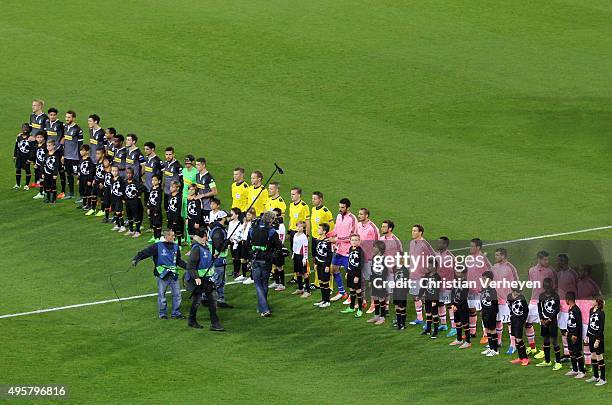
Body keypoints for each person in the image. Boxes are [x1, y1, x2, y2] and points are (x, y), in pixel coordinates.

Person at [132, 229, 186, 319]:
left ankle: (176, 313)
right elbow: (145, 253)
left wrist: (188, 267)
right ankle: (162, 313)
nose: (174, 237)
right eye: (172, 236)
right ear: (166, 236)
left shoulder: (176, 247)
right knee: (162, 295)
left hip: (173, 274)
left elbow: (178, 261)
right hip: (162, 275)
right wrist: (136, 259)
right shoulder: (157, 246)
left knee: (177, 294)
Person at [183, 230, 225, 331]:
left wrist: (213, 258)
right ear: (203, 237)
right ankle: (194, 321)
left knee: (210, 300)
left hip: (207, 279)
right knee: (199, 301)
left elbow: (205, 260)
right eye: (206, 236)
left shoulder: (204, 247)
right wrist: (196, 277)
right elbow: (190, 265)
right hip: (199, 280)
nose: (207, 238)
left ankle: (213, 323)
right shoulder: (197, 248)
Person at [247, 211, 282, 317]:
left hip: (255, 259)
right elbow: (279, 246)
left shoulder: (252, 229)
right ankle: (264, 308)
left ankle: (261, 307)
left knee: (258, 284)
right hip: (266, 260)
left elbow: (247, 243)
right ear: (270, 220)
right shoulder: (271, 232)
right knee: (264, 283)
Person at [327, 198, 356, 302]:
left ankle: (355, 297)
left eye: (342, 207)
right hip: (339, 249)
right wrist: (327, 235)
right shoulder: (339, 216)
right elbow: (336, 229)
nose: (340, 209)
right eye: (339, 207)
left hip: (348, 251)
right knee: (334, 269)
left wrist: (336, 239)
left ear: (348, 207)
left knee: (351, 275)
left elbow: (352, 237)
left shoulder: (352, 219)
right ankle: (342, 292)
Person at [528, 251, 557, 358]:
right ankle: (532, 347)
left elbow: (555, 286)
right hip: (533, 301)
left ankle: (544, 350)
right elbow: (531, 284)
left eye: (548, 259)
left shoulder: (551, 271)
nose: (547, 262)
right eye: (545, 259)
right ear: (539, 260)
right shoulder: (531, 270)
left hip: (545, 303)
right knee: (527, 323)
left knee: (545, 327)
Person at [491, 248, 520, 354]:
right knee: (497, 320)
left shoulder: (510, 267)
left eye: (498, 255)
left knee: (509, 322)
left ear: (503, 256)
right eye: (496, 255)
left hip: (507, 300)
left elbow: (516, 282)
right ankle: (498, 341)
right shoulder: (494, 267)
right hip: (497, 299)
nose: (496, 257)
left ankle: (513, 345)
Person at [465, 238, 491, 343]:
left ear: (478, 247)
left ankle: (486, 334)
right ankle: (472, 332)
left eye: (472, 246)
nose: (470, 248)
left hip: (480, 290)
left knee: (483, 312)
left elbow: (490, 271)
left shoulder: (482, 258)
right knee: (471, 310)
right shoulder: (469, 258)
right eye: (470, 245)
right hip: (470, 289)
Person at [408, 224, 435, 325]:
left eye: (415, 231)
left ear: (420, 233)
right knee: (415, 296)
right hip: (413, 274)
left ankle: (430, 318)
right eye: (412, 230)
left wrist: (428, 270)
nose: (413, 232)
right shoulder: (411, 243)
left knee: (424, 297)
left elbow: (434, 256)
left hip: (423, 276)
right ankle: (419, 318)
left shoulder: (424, 244)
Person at [576, 264, 601, 370]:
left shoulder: (591, 284)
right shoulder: (577, 282)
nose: (579, 272)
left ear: (586, 272)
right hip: (580, 318)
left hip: (589, 320)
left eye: (581, 270)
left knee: (591, 341)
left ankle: (597, 363)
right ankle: (588, 362)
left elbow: (599, 297)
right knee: (584, 341)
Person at [536, 278, 562, 370]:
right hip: (544, 321)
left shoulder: (555, 296)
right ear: (544, 287)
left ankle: (558, 362)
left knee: (554, 342)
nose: (548, 289)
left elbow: (557, 309)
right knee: (546, 341)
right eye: (547, 287)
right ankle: (547, 361)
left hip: (552, 322)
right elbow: (539, 308)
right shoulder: (541, 296)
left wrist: (550, 319)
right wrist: (541, 319)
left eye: (549, 287)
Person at [356, 208, 379, 313]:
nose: (359, 216)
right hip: (359, 257)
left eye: (361, 214)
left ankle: (374, 304)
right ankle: (362, 300)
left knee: (371, 282)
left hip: (369, 259)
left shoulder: (372, 228)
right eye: (359, 214)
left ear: (367, 215)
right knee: (360, 280)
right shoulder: (359, 225)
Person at [310, 191, 335, 289]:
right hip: (314, 239)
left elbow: (332, 228)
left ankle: (330, 285)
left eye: (314, 199)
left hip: (323, 241)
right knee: (315, 260)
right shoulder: (313, 209)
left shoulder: (326, 212)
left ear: (320, 199)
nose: (313, 200)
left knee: (327, 262)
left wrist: (329, 239)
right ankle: (317, 282)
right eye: (312, 198)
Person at [556, 254, 578, 361]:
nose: (558, 263)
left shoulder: (573, 274)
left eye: (559, 261)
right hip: (561, 307)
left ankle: (574, 353)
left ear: (564, 261)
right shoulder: (558, 273)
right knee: (563, 330)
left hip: (569, 308)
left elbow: (577, 289)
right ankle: (567, 353)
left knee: (571, 331)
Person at [379, 220, 403, 316]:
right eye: (382, 226)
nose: (382, 228)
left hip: (392, 269)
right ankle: (384, 307)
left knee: (389, 290)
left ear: (390, 229)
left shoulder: (395, 240)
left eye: (384, 227)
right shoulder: (381, 239)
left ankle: (388, 307)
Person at [341, 234, 365, 317]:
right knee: (351, 289)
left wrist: (357, 276)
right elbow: (349, 262)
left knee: (358, 290)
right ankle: (351, 307)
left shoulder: (360, 251)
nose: (354, 242)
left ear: (359, 241)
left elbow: (360, 265)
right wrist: (347, 272)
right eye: (352, 240)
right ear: (350, 241)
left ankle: (360, 309)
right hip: (350, 273)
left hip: (356, 274)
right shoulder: (350, 248)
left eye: (356, 240)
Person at [43, 108, 66, 198]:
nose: (52, 116)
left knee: (60, 170)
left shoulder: (60, 124)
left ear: (56, 115)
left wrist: (62, 140)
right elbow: (45, 134)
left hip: (58, 150)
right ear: (48, 115)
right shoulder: (46, 122)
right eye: (51, 115)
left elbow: (65, 134)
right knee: (48, 168)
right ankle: (49, 188)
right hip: (49, 149)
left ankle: (63, 191)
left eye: (54, 115)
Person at [436, 236, 455, 336]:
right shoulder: (437, 254)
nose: (438, 244)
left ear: (445, 245)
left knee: (449, 305)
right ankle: (443, 324)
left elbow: (451, 273)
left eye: (440, 243)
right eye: (438, 242)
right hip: (439, 284)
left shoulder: (449, 257)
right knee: (440, 303)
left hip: (447, 285)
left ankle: (454, 327)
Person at [63, 110, 84, 200]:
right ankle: (71, 193)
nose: (67, 119)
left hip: (75, 157)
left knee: (79, 176)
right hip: (67, 156)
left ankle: (82, 195)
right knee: (69, 175)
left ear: (73, 118)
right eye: (66, 117)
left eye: (69, 117)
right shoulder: (64, 127)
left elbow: (80, 144)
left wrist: (80, 157)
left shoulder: (78, 129)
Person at [586, 296, 606, 386]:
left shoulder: (601, 313)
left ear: (597, 302)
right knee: (593, 356)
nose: (591, 301)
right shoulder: (591, 310)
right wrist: (587, 335)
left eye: (593, 300)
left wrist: (598, 340)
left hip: (598, 338)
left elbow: (601, 328)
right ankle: (595, 376)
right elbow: (590, 323)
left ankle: (603, 379)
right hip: (591, 336)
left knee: (599, 356)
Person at [565, 292, 586, 378]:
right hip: (570, 333)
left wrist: (575, 334)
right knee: (571, 352)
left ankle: (582, 371)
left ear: (569, 300)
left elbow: (578, 324)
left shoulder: (576, 310)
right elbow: (570, 321)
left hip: (575, 335)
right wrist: (567, 330)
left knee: (577, 352)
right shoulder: (570, 309)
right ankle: (574, 369)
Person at [449, 268, 471, 348]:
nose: (456, 272)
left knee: (465, 323)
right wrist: (452, 304)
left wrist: (456, 306)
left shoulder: (465, 283)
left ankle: (468, 342)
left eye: (458, 271)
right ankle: (459, 339)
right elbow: (452, 293)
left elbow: (463, 297)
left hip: (462, 306)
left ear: (463, 272)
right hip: (455, 306)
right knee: (457, 322)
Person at [367, 240, 388, 325]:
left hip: (380, 282)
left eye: (375, 247)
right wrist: (371, 280)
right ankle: (376, 316)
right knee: (375, 297)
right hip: (374, 281)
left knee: (381, 298)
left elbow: (384, 272)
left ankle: (382, 317)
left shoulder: (384, 259)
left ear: (380, 248)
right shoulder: (374, 258)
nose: (373, 248)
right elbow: (372, 270)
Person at [419, 258, 441, 338]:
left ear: (434, 267)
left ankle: (435, 332)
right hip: (427, 298)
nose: (428, 266)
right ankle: (428, 330)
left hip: (434, 299)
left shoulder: (437, 277)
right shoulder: (426, 275)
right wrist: (419, 295)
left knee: (435, 314)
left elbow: (437, 290)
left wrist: (435, 300)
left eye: (430, 265)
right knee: (428, 313)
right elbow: (423, 286)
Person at [313, 223, 333, 308]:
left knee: (325, 282)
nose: (318, 230)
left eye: (319, 228)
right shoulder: (317, 240)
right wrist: (315, 264)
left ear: (324, 231)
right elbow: (317, 254)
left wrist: (328, 265)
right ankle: (323, 300)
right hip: (319, 264)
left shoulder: (327, 241)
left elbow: (330, 254)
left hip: (325, 264)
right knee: (321, 281)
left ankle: (327, 301)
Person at [508, 287, 530, 366]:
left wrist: (523, 320)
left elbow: (526, 310)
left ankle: (526, 358)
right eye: (518, 292)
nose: (519, 293)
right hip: (513, 319)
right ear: (513, 291)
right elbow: (510, 307)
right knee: (515, 338)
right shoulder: (509, 297)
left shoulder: (522, 298)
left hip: (519, 321)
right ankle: (520, 357)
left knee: (519, 339)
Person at [480, 271, 499, 356]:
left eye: (485, 279)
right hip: (484, 312)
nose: (483, 280)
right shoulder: (483, 288)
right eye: (482, 279)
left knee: (492, 330)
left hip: (491, 312)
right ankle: (490, 348)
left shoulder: (492, 290)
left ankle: (495, 350)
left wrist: (493, 313)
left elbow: (495, 304)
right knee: (487, 329)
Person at [124, 167, 147, 238]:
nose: (128, 175)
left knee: (136, 217)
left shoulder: (136, 182)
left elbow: (144, 188)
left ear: (133, 174)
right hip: (128, 202)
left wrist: (137, 194)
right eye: (127, 173)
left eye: (130, 173)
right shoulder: (125, 182)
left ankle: (138, 231)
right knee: (129, 216)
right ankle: (131, 230)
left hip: (135, 203)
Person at [234, 208, 256, 283]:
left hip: (250, 243)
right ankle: (244, 275)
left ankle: (252, 277)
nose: (247, 216)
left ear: (253, 215)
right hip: (244, 242)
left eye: (249, 215)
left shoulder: (254, 223)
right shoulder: (245, 222)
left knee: (251, 260)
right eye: (247, 214)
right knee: (243, 259)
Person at [269, 207, 287, 291]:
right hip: (273, 248)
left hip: (278, 249)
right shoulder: (274, 225)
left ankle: (282, 284)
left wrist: (278, 248)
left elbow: (281, 239)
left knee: (279, 266)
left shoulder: (281, 226)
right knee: (274, 265)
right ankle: (276, 281)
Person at [291, 221, 310, 298]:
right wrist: (293, 253)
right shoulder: (295, 235)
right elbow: (294, 245)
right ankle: (300, 288)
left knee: (304, 273)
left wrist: (305, 258)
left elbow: (305, 248)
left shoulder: (304, 237)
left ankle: (308, 291)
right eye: (298, 226)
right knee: (298, 272)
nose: (299, 228)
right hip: (296, 255)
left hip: (301, 256)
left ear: (303, 228)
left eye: (300, 227)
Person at [13, 123, 34, 190]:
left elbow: (32, 150)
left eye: (26, 128)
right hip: (19, 156)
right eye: (23, 128)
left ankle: (27, 185)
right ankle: (18, 184)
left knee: (27, 170)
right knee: (18, 169)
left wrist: (30, 159)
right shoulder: (19, 137)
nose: (25, 129)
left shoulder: (30, 138)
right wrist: (15, 155)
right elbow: (16, 146)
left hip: (26, 157)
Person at [181, 154, 198, 235]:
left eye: (188, 162)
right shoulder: (183, 170)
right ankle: (186, 237)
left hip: (191, 199)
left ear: (192, 162)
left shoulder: (196, 172)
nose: (187, 163)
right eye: (186, 161)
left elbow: (198, 186)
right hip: (184, 196)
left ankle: (191, 237)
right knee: (185, 217)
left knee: (191, 218)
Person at [87, 148, 107, 216]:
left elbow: (106, 174)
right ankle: (93, 208)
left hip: (101, 182)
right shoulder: (98, 161)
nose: (96, 155)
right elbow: (97, 172)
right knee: (93, 194)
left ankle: (103, 210)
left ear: (103, 154)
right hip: (96, 181)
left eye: (98, 154)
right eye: (96, 154)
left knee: (101, 196)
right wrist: (94, 180)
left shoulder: (104, 163)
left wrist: (103, 182)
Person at [392, 264, 410, 330]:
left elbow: (407, 280)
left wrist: (405, 290)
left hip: (402, 291)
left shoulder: (405, 270)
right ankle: (399, 324)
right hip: (395, 290)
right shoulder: (394, 267)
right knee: (396, 307)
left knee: (401, 307)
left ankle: (403, 324)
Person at [166, 181, 184, 246]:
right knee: (171, 228)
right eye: (171, 187)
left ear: (178, 188)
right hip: (170, 214)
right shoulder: (170, 195)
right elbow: (169, 205)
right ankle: (172, 241)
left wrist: (176, 218)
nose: (171, 188)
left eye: (173, 187)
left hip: (176, 215)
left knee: (177, 229)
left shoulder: (179, 196)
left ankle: (179, 244)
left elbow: (178, 208)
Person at [146, 175, 163, 242]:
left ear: (159, 181)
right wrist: (148, 208)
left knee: (157, 223)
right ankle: (154, 236)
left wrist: (156, 210)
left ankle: (158, 237)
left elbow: (159, 202)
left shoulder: (159, 190)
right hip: (151, 208)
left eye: (155, 180)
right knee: (153, 223)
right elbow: (149, 199)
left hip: (156, 209)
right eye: (152, 180)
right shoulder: (151, 188)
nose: (153, 181)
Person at [42, 139, 60, 204]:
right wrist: (43, 173)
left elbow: (56, 165)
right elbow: (43, 164)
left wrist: (55, 174)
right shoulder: (46, 155)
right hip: (46, 173)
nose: (48, 147)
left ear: (54, 146)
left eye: (49, 146)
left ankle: (54, 199)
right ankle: (48, 198)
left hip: (52, 174)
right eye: (47, 146)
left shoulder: (56, 155)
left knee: (53, 186)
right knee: (47, 186)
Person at [227, 207, 243, 279]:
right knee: (233, 257)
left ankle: (237, 271)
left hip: (237, 241)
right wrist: (228, 240)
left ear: (237, 215)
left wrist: (235, 238)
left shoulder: (240, 224)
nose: (230, 215)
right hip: (231, 241)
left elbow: (239, 233)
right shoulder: (230, 223)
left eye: (232, 214)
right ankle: (234, 270)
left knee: (237, 257)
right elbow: (229, 232)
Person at [109, 165, 126, 232]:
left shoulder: (120, 180)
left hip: (119, 197)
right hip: (113, 197)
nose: (114, 172)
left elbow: (123, 189)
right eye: (113, 171)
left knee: (118, 212)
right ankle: (117, 225)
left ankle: (122, 226)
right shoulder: (111, 179)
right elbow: (111, 188)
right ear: (111, 171)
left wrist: (123, 198)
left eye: (116, 171)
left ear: (118, 171)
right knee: (115, 211)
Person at [76, 145, 93, 212]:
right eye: (80, 150)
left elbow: (91, 171)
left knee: (87, 191)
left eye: (83, 150)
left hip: (86, 178)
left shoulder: (89, 160)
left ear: (87, 151)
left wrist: (89, 180)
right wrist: (78, 179)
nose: (81, 152)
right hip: (82, 178)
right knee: (82, 191)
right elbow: (79, 169)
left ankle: (88, 204)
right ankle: (84, 203)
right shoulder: (81, 159)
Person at [32, 133, 47, 199]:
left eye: (41, 137)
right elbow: (36, 155)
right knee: (41, 178)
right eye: (37, 137)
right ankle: (44, 191)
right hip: (38, 165)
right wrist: (35, 163)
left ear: (44, 138)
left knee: (42, 179)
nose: (39, 139)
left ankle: (41, 193)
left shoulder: (46, 146)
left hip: (44, 166)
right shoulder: (36, 145)